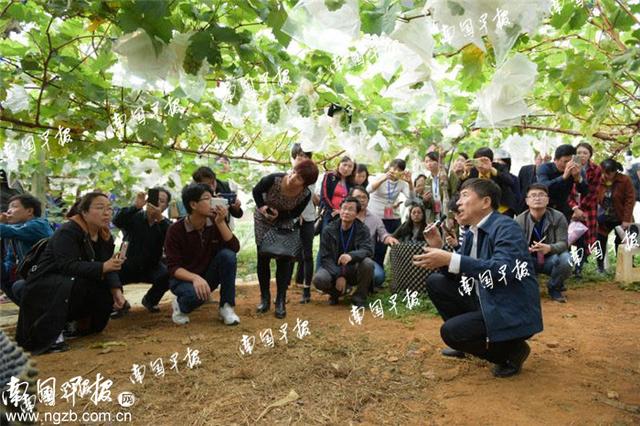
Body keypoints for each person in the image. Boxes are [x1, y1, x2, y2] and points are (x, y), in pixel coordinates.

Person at [414, 179, 543, 378]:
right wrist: (441, 251)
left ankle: (511, 352)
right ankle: (468, 342)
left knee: (451, 333)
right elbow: (461, 274)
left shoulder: (506, 227)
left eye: (465, 195)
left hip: (509, 308)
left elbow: (503, 270)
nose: (458, 203)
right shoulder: (472, 232)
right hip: (486, 299)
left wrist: (451, 258)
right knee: (436, 283)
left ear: (485, 202)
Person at [16, 192, 125, 354]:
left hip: (73, 281)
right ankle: (51, 332)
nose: (107, 212)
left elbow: (108, 266)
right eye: (100, 208)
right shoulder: (68, 231)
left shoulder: (105, 235)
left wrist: (116, 290)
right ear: (84, 212)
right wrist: (103, 267)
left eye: (109, 208)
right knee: (73, 282)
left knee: (102, 289)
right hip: (47, 283)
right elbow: (67, 265)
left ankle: (78, 324)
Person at [165, 183, 241, 326]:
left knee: (227, 255)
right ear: (193, 204)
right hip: (183, 279)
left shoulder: (214, 222)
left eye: (212, 197)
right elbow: (173, 267)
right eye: (207, 198)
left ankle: (226, 307)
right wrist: (195, 278)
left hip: (206, 276)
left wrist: (220, 222)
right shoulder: (175, 230)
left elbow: (234, 248)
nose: (212, 201)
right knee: (194, 295)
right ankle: (179, 305)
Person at [253, 160, 319, 318]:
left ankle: (280, 300)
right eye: (294, 172)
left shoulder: (305, 194)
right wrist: (263, 207)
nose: (293, 177)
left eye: (300, 178)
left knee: (284, 259)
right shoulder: (274, 179)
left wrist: (280, 215)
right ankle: (265, 297)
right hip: (263, 219)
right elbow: (256, 191)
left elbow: (295, 213)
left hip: (284, 221)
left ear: (305, 184)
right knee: (263, 257)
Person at [112, 188, 172, 316]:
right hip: (127, 265)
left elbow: (173, 236)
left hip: (152, 267)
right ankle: (120, 304)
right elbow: (116, 220)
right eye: (154, 199)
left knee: (169, 274)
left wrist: (160, 219)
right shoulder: (134, 217)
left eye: (161, 201)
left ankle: (150, 300)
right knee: (109, 274)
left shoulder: (164, 224)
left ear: (166, 206)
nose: (157, 203)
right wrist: (135, 206)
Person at [313, 197, 375, 307]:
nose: (346, 212)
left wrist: (351, 256)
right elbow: (325, 257)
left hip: (353, 268)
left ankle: (359, 298)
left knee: (368, 263)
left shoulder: (362, 229)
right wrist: (339, 275)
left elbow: (368, 249)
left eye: (351, 209)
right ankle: (335, 293)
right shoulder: (329, 229)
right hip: (333, 267)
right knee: (319, 279)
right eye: (344, 208)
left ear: (356, 214)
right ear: (340, 210)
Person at [516, 184, 572, 303]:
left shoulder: (558, 217)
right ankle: (527, 287)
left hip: (551, 259)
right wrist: (526, 250)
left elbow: (564, 243)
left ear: (547, 200)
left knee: (566, 259)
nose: (537, 198)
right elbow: (514, 246)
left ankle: (554, 287)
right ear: (527, 201)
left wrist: (549, 248)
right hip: (529, 260)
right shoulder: (519, 220)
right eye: (533, 195)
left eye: (541, 195)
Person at [0, 194, 54, 305]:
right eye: (8, 208)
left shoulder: (39, 225)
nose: (9, 211)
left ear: (29, 211)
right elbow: (10, 260)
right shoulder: (15, 233)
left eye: (14, 206)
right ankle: (30, 313)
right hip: (29, 275)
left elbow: (10, 231)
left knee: (19, 286)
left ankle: (38, 314)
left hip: (48, 277)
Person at [367, 159, 414, 267]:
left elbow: (412, 198)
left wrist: (410, 182)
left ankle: (396, 270)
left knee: (397, 242)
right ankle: (375, 272)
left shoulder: (402, 183)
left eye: (400, 170)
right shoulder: (379, 176)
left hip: (392, 217)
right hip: (376, 216)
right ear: (389, 168)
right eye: (394, 168)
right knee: (377, 247)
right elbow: (368, 190)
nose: (396, 171)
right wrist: (383, 178)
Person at [349, 186, 399, 289]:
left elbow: (383, 234)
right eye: (358, 197)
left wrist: (389, 238)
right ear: (351, 198)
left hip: (366, 259)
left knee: (378, 277)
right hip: (346, 258)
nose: (362, 200)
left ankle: (361, 286)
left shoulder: (375, 218)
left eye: (364, 197)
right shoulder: (345, 215)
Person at [290, 144, 320, 304]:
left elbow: (306, 194)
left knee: (307, 254)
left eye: (305, 156)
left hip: (307, 218)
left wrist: (301, 213)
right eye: (299, 155)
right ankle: (285, 286)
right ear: (294, 157)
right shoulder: (288, 174)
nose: (302, 158)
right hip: (291, 219)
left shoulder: (312, 174)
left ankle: (307, 290)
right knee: (288, 252)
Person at [596, 159, 636, 273]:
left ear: (615, 171)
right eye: (604, 172)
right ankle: (600, 267)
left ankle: (625, 267)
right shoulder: (598, 179)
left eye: (609, 173)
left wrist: (626, 219)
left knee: (622, 241)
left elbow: (630, 200)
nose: (606, 175)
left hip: (621, 216)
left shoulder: (624, 180)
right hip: (603, 217)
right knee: (600, 240)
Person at [568, 142, 602, 277]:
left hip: (587, 208)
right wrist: (574, 208)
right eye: (579, 152)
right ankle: (567, 265)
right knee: (569, 238)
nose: (582, 155)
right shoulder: (570, 166)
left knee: (582, 238)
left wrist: (580, 210)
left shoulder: (596, 169)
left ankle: (579, 267)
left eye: (585, 153)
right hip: (570, 206)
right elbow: (566, 190)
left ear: (590, 155)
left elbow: (593, 192)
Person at [461, 148, 519, 217]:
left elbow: (510, 181)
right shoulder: (472, 171)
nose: (480, 165)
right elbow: (461, 188)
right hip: (480, 209)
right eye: (477, 161)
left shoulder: (499, 167)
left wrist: (491, 169)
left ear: (491, 161)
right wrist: (465, 173)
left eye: (483, 161)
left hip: (502, 208)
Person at [537, 144, 588, 221]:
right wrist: (563, 177)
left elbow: (585, 191)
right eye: (565, 161)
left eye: (570, 161)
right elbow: (543, 187)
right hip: (544, 209)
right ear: (556, 160)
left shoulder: (576, 169)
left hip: (563, 211)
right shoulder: (544, 168)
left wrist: (578, 179)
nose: (568, 164)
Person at [318, 156, 356, 229]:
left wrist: (342, 211)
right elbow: (324, 196)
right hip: (330, 213)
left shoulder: (352, 183)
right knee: (327, 237)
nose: (346, 168)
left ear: (352, 170)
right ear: (339, 165)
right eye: (344, 165)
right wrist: (333, 210)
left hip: (346, 215)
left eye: (350, 166)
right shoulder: (329, 176)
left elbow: (353, 200)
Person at [423, 151, 459, 217]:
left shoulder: (449, 174)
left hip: (449, 213)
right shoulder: (428, 180)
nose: (429, 164)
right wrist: (425, 200)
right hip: (436, 214)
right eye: (426, 162)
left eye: (431, 161)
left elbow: (455, 195)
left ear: (438, 161)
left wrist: (451, 215)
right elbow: (429, 205)